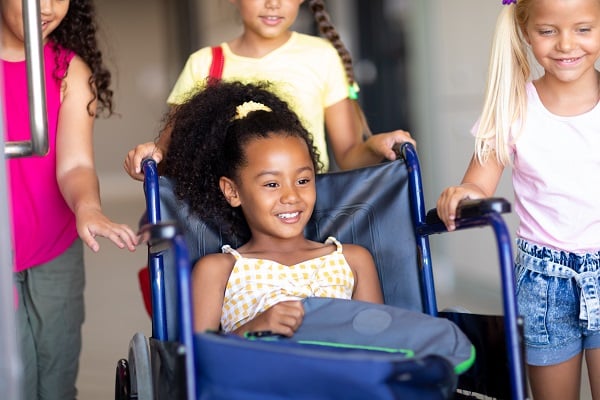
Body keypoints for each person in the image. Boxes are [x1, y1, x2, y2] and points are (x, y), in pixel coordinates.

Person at [436, 0, 600, 398]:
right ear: (526, 32)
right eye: (548, 31)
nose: (565, 44)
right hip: (544, 284)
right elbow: (477, 185)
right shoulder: (511, 109)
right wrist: (463, 195)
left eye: (583, 29)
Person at [162, 80, 383, 336]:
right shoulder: (219, 270)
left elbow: (380, 345)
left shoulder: (352, 260)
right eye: (271, 184)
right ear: (232, 191)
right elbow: (197, 364)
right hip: (256, 375)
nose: (291, 196)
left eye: (302, 180)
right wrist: (253, 328)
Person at [1, 0, 139, 398]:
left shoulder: (69, 71)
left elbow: (74, 164)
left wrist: (88, 207)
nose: (45, 8)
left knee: (57, 375)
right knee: (16, 379)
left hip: (54, 251)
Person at [124, 0, 415, 180]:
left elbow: (349, 154)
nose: (273, 3)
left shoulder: (322, 56)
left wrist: (375, 146)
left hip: (306, 209)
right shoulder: (204, 65)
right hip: (226, 215)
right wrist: (152, 156)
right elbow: (170, 151)